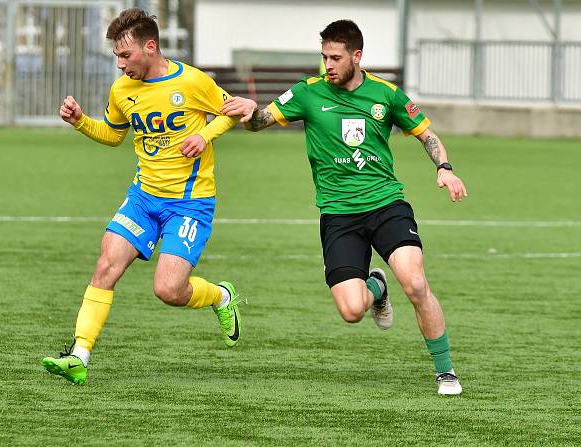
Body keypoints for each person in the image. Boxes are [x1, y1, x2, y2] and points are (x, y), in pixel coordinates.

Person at [221, 19, 467, 395]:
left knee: (416, 284)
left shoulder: (386, 95)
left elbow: (427, 135)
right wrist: (250, 111)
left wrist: (445, 169)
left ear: (357, 56)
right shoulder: (308, 92)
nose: (328, 65)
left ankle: (446, 371)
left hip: (387, 205)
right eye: (323, 57)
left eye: (335, 57)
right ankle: (376, 287)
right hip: (339, 215)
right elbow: (259, 122)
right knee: (352, 311)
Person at [42, 8, 243, 385]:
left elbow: (229, 111)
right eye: (116, 56)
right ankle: (79, 355)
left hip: (190, 202)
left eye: (125, 55)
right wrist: (81, 122)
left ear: (150, 47)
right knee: (106, 264)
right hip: (143, 198)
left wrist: (205, 135)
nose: (120, 65)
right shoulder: (122, 90)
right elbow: (114, 135)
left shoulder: (193, 82)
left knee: (168, 290)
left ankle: (220, 297)